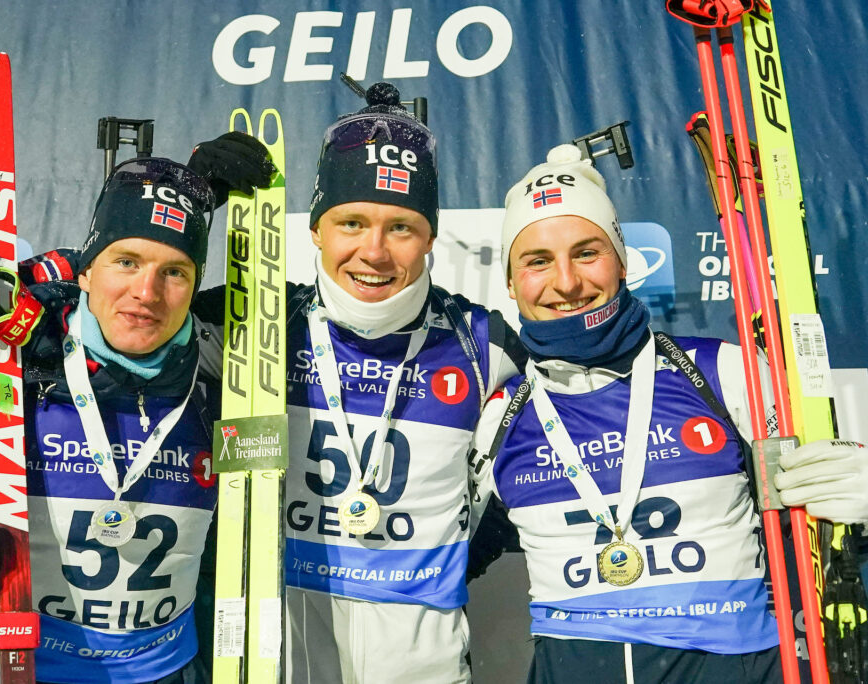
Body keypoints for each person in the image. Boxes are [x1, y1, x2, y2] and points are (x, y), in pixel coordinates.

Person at [0, 137, 275, 684]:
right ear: (87, 270)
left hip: (172, 670)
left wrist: (189, 197)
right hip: (16, 669)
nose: (147, 291)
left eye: (175, 272)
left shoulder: (226, 374)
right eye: (126, 261)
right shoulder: (11, 370)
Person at [467, 143, 868, 683]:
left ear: (623, 261)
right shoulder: (502, 417)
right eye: (537, 261)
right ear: (512, 283)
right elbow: (437, 557)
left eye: (587, 252)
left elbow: (816, 539)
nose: (566, 282)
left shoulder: (725, 374)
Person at [191, 82, 525, 682]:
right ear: (316, 230)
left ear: (429, 238)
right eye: (351, 222)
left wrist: (461, 550)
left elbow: (564, 428)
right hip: (278, 662)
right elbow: (105, 319)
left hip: (427, 667)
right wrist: (187, 205)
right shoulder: (254, 321)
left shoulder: (483, 344)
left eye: (401, 227)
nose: (372, 252)